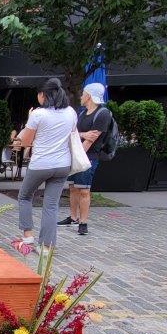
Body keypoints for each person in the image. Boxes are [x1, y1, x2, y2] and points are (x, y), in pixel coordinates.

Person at [13, 78, 76, 254]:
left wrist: (28, 121)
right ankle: (46, 246)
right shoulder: (71, 112)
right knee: (51, 205)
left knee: (25, 196)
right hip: (63, 164)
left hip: (41, 163)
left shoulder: (38, 114)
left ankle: (27, 235)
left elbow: (26, 142)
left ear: (43, 95)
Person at [58, 83, 109, 235]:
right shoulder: (82, 113)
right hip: (78, 155)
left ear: (89, 96)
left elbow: (91, 139)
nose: (81, 96)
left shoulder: (103, 114)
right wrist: (82, 135)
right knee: (73, 187)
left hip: (88, 157)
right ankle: (73, 217)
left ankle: (83, 222)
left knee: (84, 190)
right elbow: (73, 132)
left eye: (83, 94)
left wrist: (78, 157)